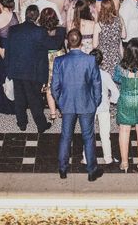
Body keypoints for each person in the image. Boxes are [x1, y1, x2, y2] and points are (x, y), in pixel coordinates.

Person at [52, 29, 104, 182]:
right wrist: (95, 101)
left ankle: (62, 169)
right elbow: (96, 84)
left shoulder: (59, 61)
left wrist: (61, 102)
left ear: (68, 42)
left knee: (65, 137)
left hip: (67, 103)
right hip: (86, 103)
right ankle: (91, 170)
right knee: (88, 137)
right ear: (80, 42)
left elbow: (54, 86)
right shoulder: (90, 60)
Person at [5, 5, 62, 133]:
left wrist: (8, 68)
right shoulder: (39, 31)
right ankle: (41, 125)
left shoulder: (13, 29)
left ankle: (22, 123)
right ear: (36, 17)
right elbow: (54, 45)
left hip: (17, 69)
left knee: (19, 99)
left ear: (25, 15)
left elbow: (8, 50)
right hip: (33, 71)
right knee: (35, 99)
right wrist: (60, 32)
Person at [114, 37, 138, 172]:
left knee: (124, 130)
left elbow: (117, 79)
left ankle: (124, 163)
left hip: (126, 99)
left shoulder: (120, 67)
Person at [83, 49, 119, 165]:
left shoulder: (84, 74)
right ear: (101, 61)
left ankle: (86, 158)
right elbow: (116, 93)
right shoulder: (105, 75)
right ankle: (108, 158)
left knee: (88, 134)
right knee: (105, 134)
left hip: (89, 107)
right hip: (103, 106)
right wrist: (110, 101)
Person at [0, 0, 19, 115]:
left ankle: (3, 104)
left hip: (1, 48)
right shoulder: (15, 15)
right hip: (14, 48)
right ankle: (16, 103)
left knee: (2, 75)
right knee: (14, 75)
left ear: (0, 4)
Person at [40, 8, 66, 122]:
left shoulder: (40, 31)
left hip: (46, 59)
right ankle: (62, 111)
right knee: (62, 86)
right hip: (60, 59)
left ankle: (52, 113)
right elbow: (60, 44)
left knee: (49, 87)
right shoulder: (61, 30)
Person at [93, 0, 125, 74]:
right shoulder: (119, 20)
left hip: (103, 58)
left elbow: (94, 45)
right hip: (116, 56)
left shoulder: (99, 24)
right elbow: (124, 35)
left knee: (105, 82)